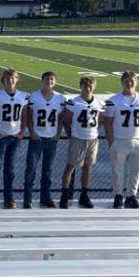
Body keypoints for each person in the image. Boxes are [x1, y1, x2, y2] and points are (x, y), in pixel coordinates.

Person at [104, 71, 139, 209]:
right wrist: (111, 142)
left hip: (138, 141)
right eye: (126, 81)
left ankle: (131, 196)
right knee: (117, 171)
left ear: (136, 82)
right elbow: (107, 122)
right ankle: (118, 195)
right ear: (122, 83)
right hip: (119, 140)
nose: (129, 83)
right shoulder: (113, 100)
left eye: (132, 81)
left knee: (136, 171)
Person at [0, 68, 28, 210]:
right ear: (3, 81)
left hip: (15, 137)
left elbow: (24, 116)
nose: (10, 81)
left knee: (10, 170)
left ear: (17, 80)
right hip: (1, 136)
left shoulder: (23, 96)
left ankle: (9, 198)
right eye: (8, 79)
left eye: (13, 78)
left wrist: (22, 131)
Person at [23, 71, 66, 209]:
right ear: (42, 81)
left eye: (52, 79)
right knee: (31, 170)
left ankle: (45, 198)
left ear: (55, 82)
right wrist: (32, 132)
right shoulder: (34, 96)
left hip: (52, 138)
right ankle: (27, 199)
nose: (49, 81)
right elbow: (28, 117)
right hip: (37, 138)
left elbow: (61, 118)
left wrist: (59, 133)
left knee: (48, 172)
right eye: (47, 79)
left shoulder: (60, 98)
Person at [60, 76, 104, 209]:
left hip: (92, 138)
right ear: (80, 86)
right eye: (84, 84)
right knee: (70, 167)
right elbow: (66, 120)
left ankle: (84, 195)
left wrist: (93, 131)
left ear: (94, 86)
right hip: (78, 138)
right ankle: (64, 196)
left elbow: (100, 120)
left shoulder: (99, 103)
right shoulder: (73, 102)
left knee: (87, 167)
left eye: (90, 84)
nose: (87, 86)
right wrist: (71, 134)